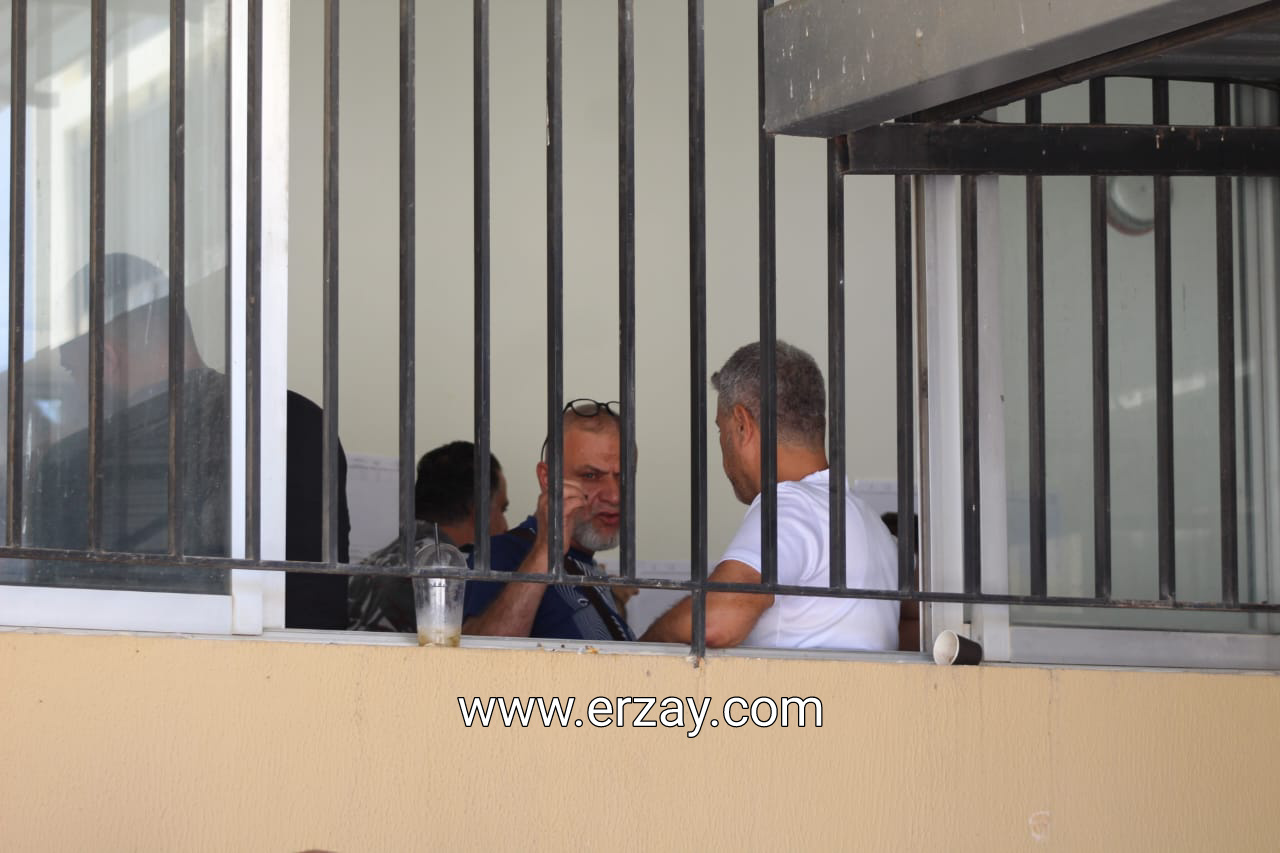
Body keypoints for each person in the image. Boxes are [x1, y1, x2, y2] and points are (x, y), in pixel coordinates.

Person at [28, 253, 351, 625]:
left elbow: (52, 609)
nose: (76, 390)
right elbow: (320, 604)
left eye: (73, 372)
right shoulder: (296, 421)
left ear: (106, 358)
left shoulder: (76, 462)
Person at [642, 340, 899, 650]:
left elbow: (716, 621)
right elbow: (913, 623)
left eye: (721, 431)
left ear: (742, 425)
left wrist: (639, 650)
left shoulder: (790, 505)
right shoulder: (869, 522)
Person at [462, 399, 634, 642]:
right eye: (591, 475)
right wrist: (544, 552)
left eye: (623, 476)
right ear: (547, 479)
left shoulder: (589, 568)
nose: (614, 496)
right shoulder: (503, 554)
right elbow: (479, 656)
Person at [348, 441, 509, 632]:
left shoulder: (369, 567)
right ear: (480, 511)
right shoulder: (453, 575)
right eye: (502, 509)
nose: (506, 527)